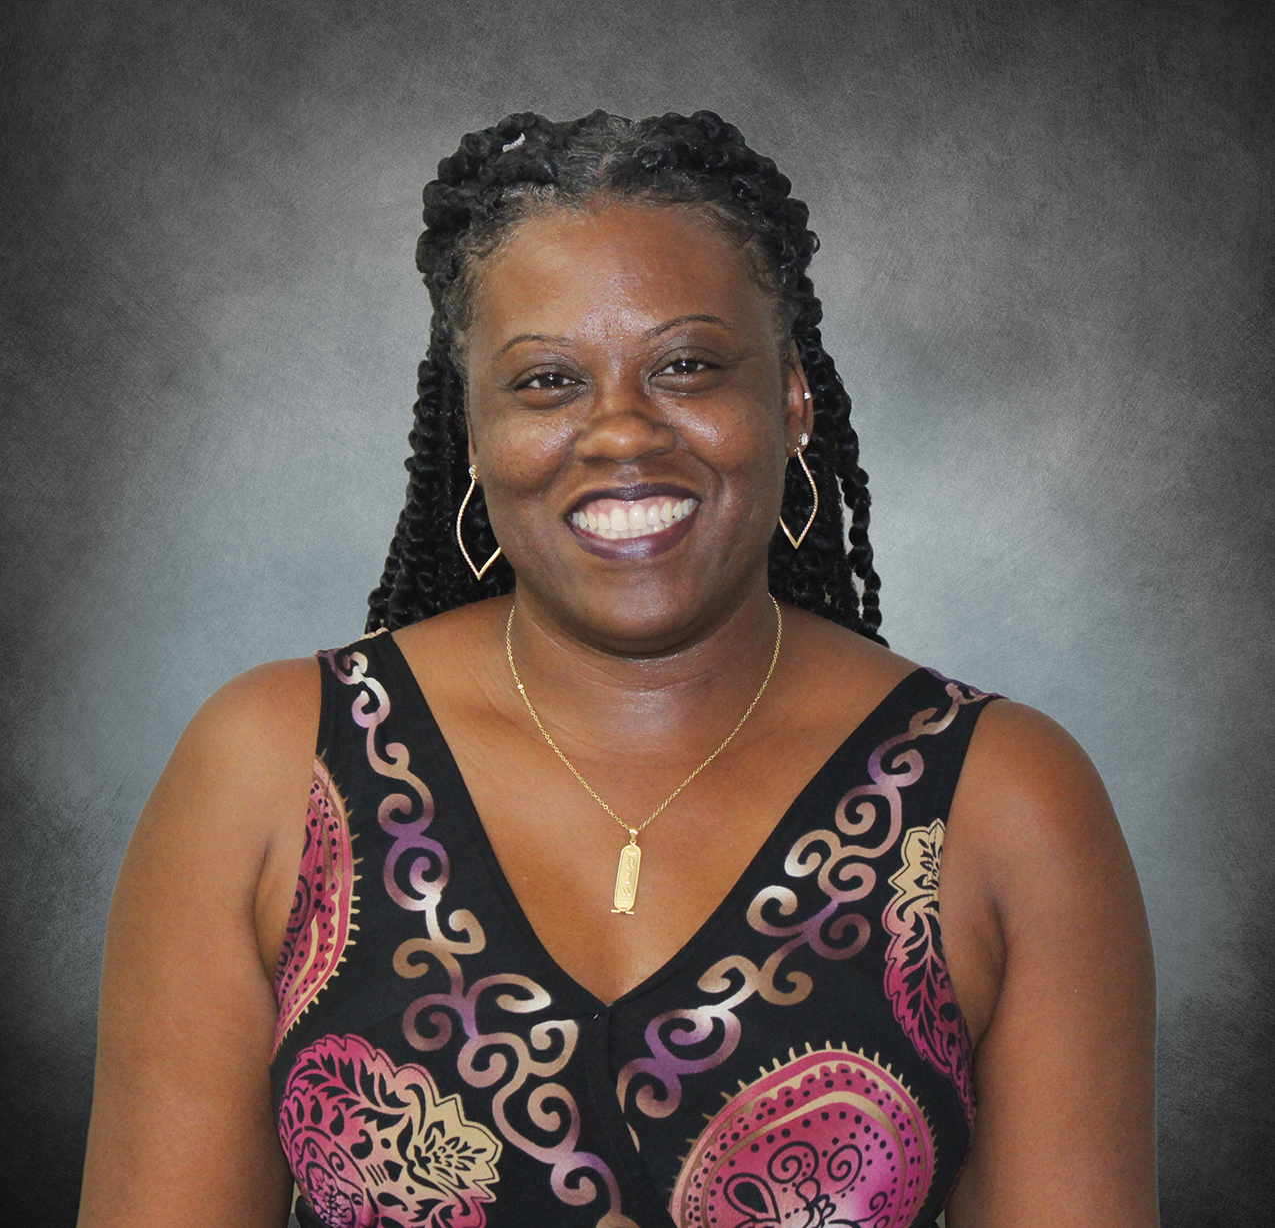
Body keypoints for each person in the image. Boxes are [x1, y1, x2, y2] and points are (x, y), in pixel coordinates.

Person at [78, 110, 1158, 1228]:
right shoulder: (270, 767)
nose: (623, 433)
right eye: (547, 381)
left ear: (790, 400)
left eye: (686, 367)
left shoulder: (1004, 798)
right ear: (474, 433)